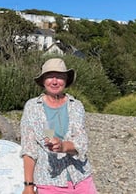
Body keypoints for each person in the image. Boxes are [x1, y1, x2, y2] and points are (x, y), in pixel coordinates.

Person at [20, 58, 98, 194]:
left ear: (66, 80)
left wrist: (63, 146)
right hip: (49, 181)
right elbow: (29, 148)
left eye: (60, 77)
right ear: (43, 80)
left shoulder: (76, 105)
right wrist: (28, 186)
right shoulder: (32, 107)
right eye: (50, 76)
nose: (55, 81)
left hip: (81, 177)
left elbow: (82, 142)